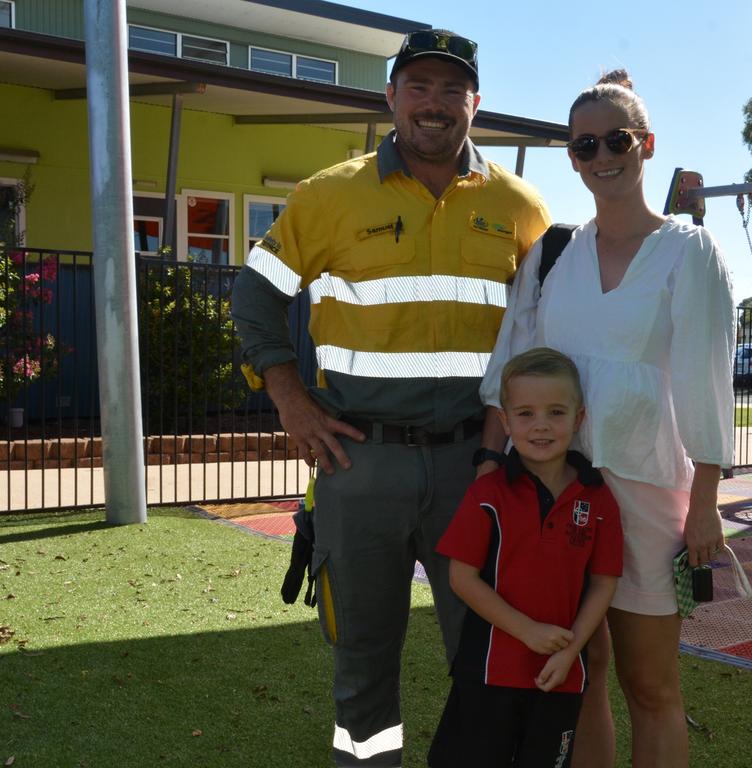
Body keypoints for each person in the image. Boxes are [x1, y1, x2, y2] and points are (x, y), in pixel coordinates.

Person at [230, 29, 550, 767]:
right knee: (362, 661)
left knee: (486, 657)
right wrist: (289, 397)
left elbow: (541, 337)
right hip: (359, 464)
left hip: (476, 469)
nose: (433, 105)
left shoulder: (519, 206)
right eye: (418, 87)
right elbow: (254, 296)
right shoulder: (330, 195)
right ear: (391, 98)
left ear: (475, 102)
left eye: (450, 89)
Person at [480, 69, 735, 768]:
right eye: (584, 146)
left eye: (615, 140)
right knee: (580, 677)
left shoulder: (688, 251)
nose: (601, 158)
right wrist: (489, 469)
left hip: (648, 496)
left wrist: (706, 504)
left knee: (650, 685)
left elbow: (706, 381)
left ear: (646, 145)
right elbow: (511, 366)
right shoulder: (554, 254)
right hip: (557, 490)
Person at [429, 347, 622, 767]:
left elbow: (604, 582)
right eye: (525, 414)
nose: (540, 426)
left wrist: (571, 653)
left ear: (579, 418)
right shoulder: (487, 493)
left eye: (556, 412)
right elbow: (461, 578)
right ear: (505, 421)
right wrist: (527, 630)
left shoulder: (598, 496)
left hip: (560, 675)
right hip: (487, 673)